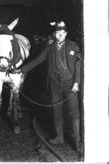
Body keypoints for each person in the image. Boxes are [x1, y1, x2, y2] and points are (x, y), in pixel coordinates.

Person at [12, 21, 82, 151]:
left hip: (70, 84)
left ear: (65, 33)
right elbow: (38, 60)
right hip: (54, 83)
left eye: (62, 33)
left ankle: (78, 142)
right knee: (56, 110)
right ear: (54, 34)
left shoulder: (74, 46)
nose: (59, 36)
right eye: (57, 33)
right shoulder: (49, 47)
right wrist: (21, 70)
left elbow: (78, 65)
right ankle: (59, 137)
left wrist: (77, 82)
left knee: (74, 112)